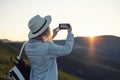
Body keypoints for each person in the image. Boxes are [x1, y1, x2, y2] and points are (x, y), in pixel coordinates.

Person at [25, 15, 74, 80]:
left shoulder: (27, 46)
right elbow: (67, 49)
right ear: (45, 30)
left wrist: (53, 35)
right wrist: (70, 33)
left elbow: (42, 47)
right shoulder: (48, 47)